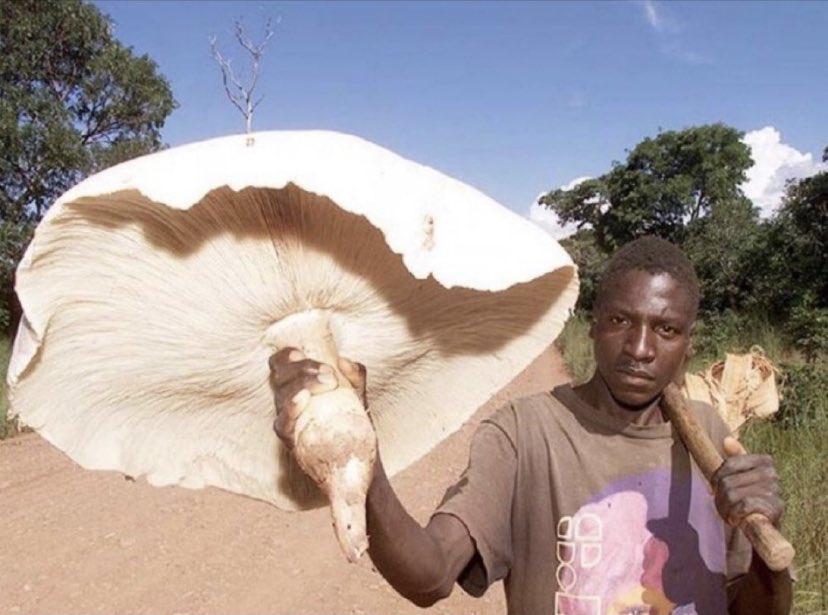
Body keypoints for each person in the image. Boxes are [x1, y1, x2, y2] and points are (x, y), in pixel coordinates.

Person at [269, 235, 793, 615]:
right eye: (619, 321)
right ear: (592, 323)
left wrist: (770, 544)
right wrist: (365, 458)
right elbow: (428, 576)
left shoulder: (711, 437)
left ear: (688, 344)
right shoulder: (524, 434)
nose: (639, 349)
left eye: (666, 329)